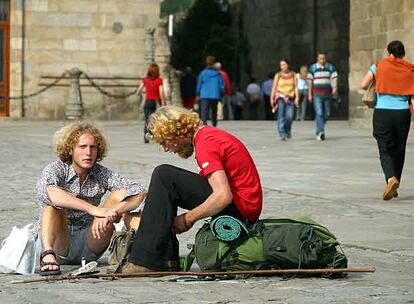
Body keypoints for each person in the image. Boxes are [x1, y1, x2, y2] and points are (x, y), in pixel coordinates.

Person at [122, 106, 263, 273]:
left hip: (241, 211)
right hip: (243, 206)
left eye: (164, 142)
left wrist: (188, 219)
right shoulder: (208, 135)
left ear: (175, 132)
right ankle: (168, 258)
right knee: (168, 183)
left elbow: (223, 196)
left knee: (164, 176)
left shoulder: (206, 142)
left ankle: (144, 261)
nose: (166, 149)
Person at [37, 122, 146, 276]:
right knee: (51, 205)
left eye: (93, 147)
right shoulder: (56, 169)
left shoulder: (101, 173)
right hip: (60, 242)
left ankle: (151, 248)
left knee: (120, 194)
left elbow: (139, 191)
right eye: (82, 147)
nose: (88, 152)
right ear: (70, 149)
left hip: (91, 241)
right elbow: (50, 193)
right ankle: (47, 255)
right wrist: (94, 209)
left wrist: (109, 212)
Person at [360, 40, 414, 200]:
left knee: (384, 148)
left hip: (383, 112)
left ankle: (391, 179)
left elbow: (364, 84)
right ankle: (395, 183)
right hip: (402, 113)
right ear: (402, 53)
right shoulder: (410, 69)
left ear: (388, 52)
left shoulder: (379, 65)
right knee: (399, 148)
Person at [308, 52, 338, 141]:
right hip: (317, 94)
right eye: (320, 58)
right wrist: (309, 94)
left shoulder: (330, 67)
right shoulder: (313, 68)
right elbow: (310, 82)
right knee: (319, 113)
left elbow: (334, 78)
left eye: (324, 58)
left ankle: (320, 126)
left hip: (327, 94)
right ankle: (320, 132)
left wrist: (335, 88)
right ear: (317, 58)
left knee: (327, 114)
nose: (322, 60)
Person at [270, 59, 299, 141]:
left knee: (290, 116)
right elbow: (274, 87)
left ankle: (287, 130)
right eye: (281, 65)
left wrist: (297, 97)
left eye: (284, 64)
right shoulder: (278, 75)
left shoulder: (293, 74)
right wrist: (271, 98)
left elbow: (296, 86)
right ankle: (282, 133)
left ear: (288, 65)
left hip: (290, 97)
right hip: (280, 97)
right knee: (281, 116)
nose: (282, 67)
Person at [137, 63, 166, 143]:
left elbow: (139, 90)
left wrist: (138, 93)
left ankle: (145, 136)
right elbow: (161, 92)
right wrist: (163, 102)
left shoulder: (145, 80)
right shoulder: (159, 80)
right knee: (153, 119)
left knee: (147, 119)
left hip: (147, 102)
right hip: (155, 102)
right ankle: (152, 135)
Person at [196, 55, 224, 126]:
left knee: (204, 112)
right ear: (214, 63)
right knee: (214, 111)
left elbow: (199, 84)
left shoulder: (203, 73)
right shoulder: (218, 74)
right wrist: (222, 93)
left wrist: (198, 93)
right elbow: (221, 86)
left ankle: (204, 126)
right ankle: (214, 125)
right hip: (215, 94)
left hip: (204, 95)